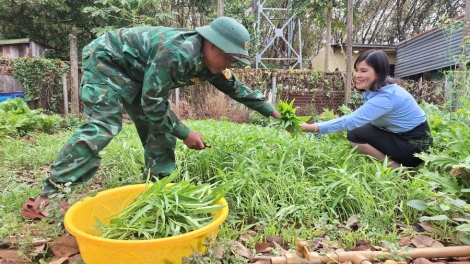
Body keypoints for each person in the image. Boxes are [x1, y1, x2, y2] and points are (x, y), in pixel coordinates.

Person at [23, 16, 281, 217]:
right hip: (107, 59)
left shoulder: (212, 63)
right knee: (105, 124)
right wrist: (185, 133)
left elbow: (236, 88)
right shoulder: (177, 53)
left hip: (138, 72)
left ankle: (159, 188)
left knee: (160, 126)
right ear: (213, 45)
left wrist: (277, 114)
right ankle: (49, 196)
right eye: (231, 57)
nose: (231, 65)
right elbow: (153, 102)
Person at [300, 49, 432, 169]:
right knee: (358, 129)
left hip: (416, 148)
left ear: (379, 73)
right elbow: (362, 119)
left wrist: (312, 128)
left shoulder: (385, 98)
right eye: (356, 70)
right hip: (404, 137)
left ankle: (398, 169)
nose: (357, 75)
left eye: (363, 71)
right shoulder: (380, 90)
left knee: (355, 134)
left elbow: (350, 121)